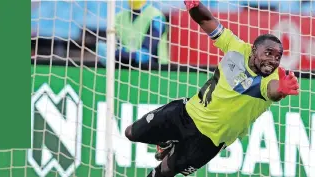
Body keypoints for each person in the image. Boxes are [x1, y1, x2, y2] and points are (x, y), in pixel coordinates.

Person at [124, 1, 300, 176]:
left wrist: (282, 89)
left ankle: (169, 149)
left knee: (166, 170)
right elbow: (206, 21)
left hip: (208, 141)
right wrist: (194, 6)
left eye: (278, 57)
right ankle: (166, 142)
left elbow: (272, 91)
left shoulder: (272, 78)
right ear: (253, 50)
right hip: (186, 113)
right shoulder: (236, 47)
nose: (273, 60)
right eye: (268, 53)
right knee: (131, 132)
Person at [97, 0, 170, 67]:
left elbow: (146, 54)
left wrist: (115, 54)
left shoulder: (156, 17)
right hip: (125, 69)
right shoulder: (118, 17)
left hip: (156, 70)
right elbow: (113, 44)